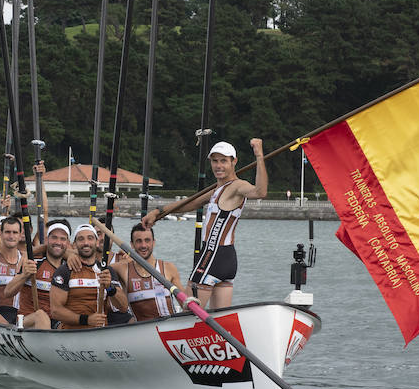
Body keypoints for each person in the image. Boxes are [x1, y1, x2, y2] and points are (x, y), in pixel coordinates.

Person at [140, 138, 266, 309]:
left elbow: (260, 192)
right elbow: (189, 203)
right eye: (215, 161)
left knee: (188, 313)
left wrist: (259, 155)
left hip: (212, 257)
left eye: (223, 161)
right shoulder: (217, 189)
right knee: (219, 320)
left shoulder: (237, 186)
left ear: (234, 162)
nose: (218, 166)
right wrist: (157, 213)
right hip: (227, 260)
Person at [50, 223, 127, 329]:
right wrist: (86, 320)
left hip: (100, 333)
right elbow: (55, 311)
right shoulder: (64, 271)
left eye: (90, 238)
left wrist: (110, 287)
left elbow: (123, 307)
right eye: (81, 239)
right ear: (75, 244)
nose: (86, 243)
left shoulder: (106, 271)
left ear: (96, 243)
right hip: (71, 334)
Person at [0, 214, 46, 327]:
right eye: (7, 232)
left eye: (15, 233)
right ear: (0, 234)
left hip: (18, 315)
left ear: (20, 235)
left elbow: (47, 241)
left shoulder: (26, 258)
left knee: (41, 315)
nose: (11, 236)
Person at [119, 221, 183, 322]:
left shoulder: (168, 268)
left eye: (147, 240)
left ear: (154, 242)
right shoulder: (123, 269)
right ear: (131, 245)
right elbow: (102, 267)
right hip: (141, 331)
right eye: (139, 241)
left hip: (170, 326)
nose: (143, 245)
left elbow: (184, 302)